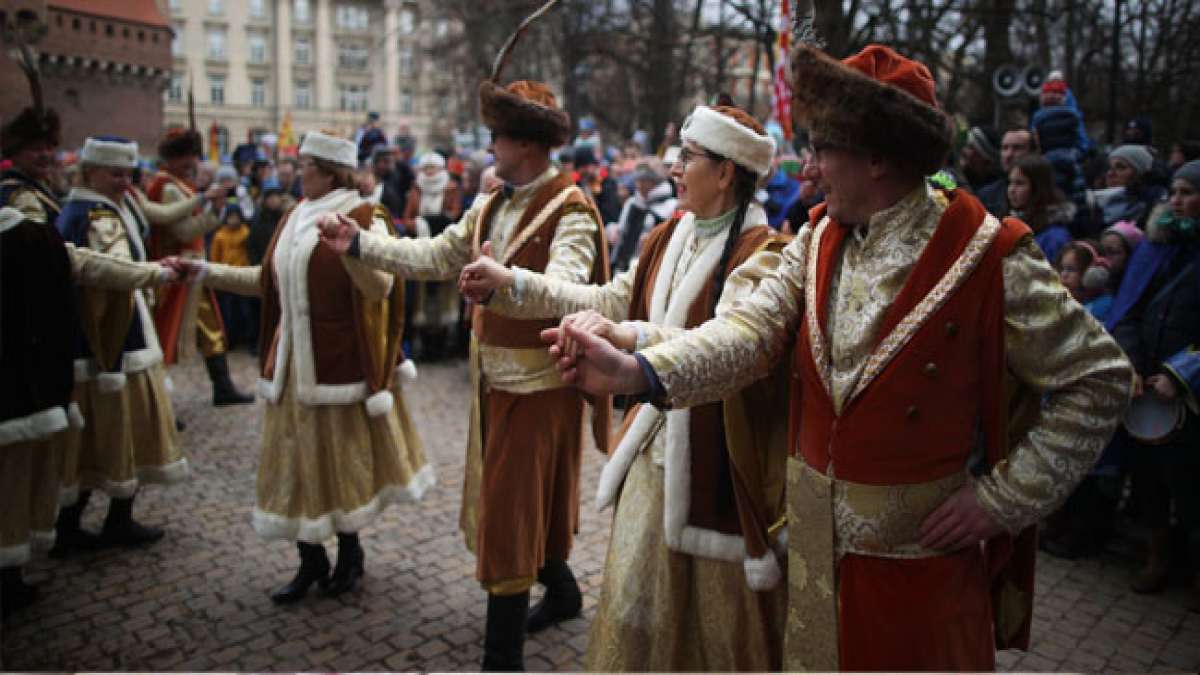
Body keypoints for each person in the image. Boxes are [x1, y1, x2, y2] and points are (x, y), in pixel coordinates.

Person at [543, 44, 1132, 671]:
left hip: (917, 582)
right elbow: (747, 334)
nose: (811, 171)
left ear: (879, 157)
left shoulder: (989, 254)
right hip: (811, 572)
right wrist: (638, 371)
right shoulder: (820, 237)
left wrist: (1001, 501)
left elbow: (1099, 380)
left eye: (825, 150)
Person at [317, 24, 610, 666]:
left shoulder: (574, 210)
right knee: (524, 500)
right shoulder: (492, 202)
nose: (490, 147)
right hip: (492, 381)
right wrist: (359, 243)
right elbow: (432, 253)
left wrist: (506, 283)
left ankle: (499, 657)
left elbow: (568, 289)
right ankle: (560, 591)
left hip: (539, 387)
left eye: (498, 136)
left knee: (509, 514)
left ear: (527, 144)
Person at [458, 104, 790, 670]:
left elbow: (720, 341)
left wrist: (630, 343)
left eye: (687, 156)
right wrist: (510, 282)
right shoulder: (668, 233)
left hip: (715, 477)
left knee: (709, 637)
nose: (673, 166)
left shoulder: (763, 254)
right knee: (640, 619)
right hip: (651, 464)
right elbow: (611, 299)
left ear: (727, 171)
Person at [180, 130, 433, 604]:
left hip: (336, 363)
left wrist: (351, 251)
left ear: (331, 171)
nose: (297, 173)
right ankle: (310, 559)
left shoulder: (364, 215)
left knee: (337, 464)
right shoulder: (293, 216)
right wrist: (205, 272)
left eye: (306, 166)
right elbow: (266, 283)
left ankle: (350, 554)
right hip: (291, 363)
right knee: (295, 463)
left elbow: (380, 288)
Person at [56, 137, 191, 549]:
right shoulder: (96, 213)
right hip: (114, 338)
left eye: (128, 173)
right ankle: (94, 521)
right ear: (90, 171)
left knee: (101, 435)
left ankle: (90, 519)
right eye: (115, 173)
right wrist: (157, 273)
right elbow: (114, 269)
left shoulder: (98, 206)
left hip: (108, 332)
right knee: (121, 430)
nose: (123, 181)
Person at [1105, 160, 1200, 611]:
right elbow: (1129, 310)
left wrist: (1182, 374)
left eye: (1188, 192)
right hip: (1146, 384)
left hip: (1186, 394)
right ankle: (1157, 556)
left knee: (1191, 486)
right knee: (1149, 482)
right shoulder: (1155, 248)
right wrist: (1132, 364)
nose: (1177, 200)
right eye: (1175, 191)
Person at [145, 128, 252, 406]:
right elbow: (182, 232)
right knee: (166, 333)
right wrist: (210, 210)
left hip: (192, 269)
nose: (192, 163)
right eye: (187, 157)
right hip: (176, 271)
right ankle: (159, 402)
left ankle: (223, 386)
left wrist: (213, 210)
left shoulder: (179, 184)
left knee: (211, 326)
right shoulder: (168, 187)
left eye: (193, 156)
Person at [402, 152, 463, 361]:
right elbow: (407, 217)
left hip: (444, 250)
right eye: (425, 168)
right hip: (421, 249)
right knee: (423, 297)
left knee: (443, 297)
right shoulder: (415, 189)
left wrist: (439, 222)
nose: (429, 172)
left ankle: (441, 344)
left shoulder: (451, 188)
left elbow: (455, 214)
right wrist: (420, 224)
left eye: (433, 168)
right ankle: (425, 344)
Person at [609, 160, 675, 274]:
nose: (639, 185)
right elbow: (621, 229)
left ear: (655, 181)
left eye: (644, 180)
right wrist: (612, 231)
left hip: (650, 270)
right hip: (622, 268)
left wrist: (653, 239)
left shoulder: (671, 206)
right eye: (638, 180)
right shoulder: (632, 202)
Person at [1007, 154, 1075, 263]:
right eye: (1010, 182)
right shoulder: (1009, 226)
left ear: (1037, 188)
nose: (1011, 190)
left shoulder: (1054, 237)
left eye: (1019, 183)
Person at [209, 204, 253, 350]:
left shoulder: (246, 233)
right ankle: (230, 340)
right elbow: (214, 258)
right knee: (228, 312)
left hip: (243, 276)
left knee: (245, 311)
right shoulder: (220, 236)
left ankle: (247, 339)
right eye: (230, 217)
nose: (233, 220)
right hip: (226, 278)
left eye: (235, 217)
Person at [959, 125, 1007, 216]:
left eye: (970, 147)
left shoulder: (993, 198)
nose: (964, 151)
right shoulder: (954, 181)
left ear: (986, 160)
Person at [575, 146, 623, 225]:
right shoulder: (579, 184)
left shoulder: (607, 183)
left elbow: (611, 215)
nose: (583, 171)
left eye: (586, 167)